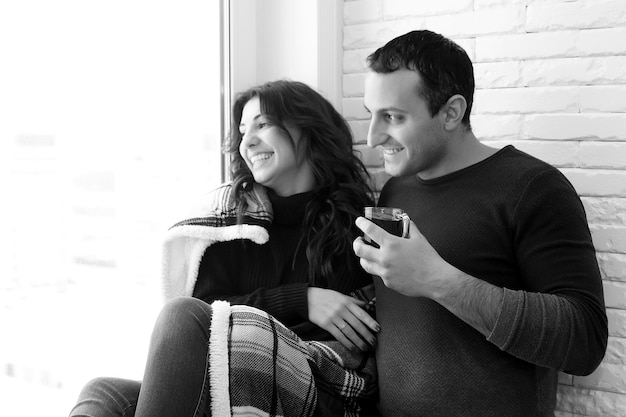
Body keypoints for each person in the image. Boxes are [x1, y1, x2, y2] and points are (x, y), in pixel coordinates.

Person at [70, 80, 380, 417]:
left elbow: (350, 340)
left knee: (180, 314)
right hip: (228, 374)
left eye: (263, 124)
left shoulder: (352, 225)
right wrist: (302, 299)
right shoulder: (233, 222)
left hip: (312, 385)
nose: (248, 141)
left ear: (308, 130)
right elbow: (205, 315)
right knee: (103, 393)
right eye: (244, 130)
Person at [352, 30, 608, 417]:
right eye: (371, 113)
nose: (372, 137)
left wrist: (439, 280)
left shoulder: (532, 188)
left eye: (393, 117)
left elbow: (584, 339)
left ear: (452, 112)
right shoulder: (395, 191)